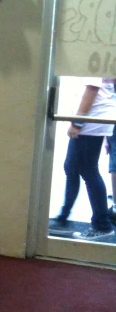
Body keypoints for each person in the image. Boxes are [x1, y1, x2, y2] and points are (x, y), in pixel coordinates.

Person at [50, 78, 116, 239]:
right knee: (71, 167)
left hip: (91, 121)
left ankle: (102, 225)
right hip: (94, 119)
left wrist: (77, 123)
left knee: (88, 170)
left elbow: (92, 90)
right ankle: (63, 219)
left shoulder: (93, 59)